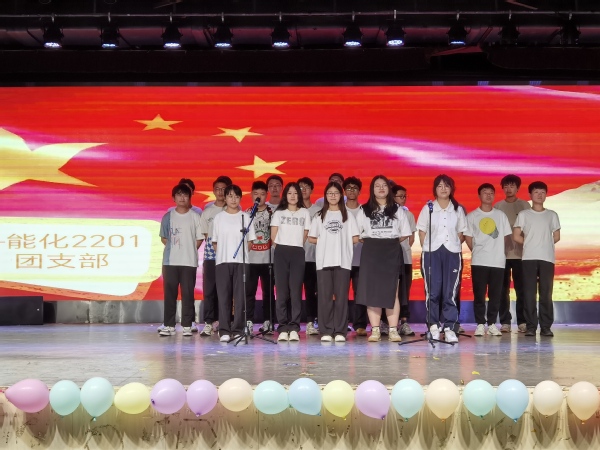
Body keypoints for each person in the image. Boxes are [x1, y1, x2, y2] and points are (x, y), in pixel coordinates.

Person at [356, 175, 411, 343]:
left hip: (391, 251)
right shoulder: (364, 209)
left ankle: (393, 330)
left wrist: (388, 241)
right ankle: (375, 330)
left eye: (384, 185)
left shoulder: (398, 209)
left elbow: (404, 234)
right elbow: (357, 235)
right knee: (372, 291)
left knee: (393, 291)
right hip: (371, 252)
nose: (381, 188)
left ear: (388, 189)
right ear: (372, 189)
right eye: (377, 185)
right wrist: (375, 241)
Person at [417, 174, 467, 344]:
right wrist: (428, 248)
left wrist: (452, 245)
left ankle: (450, 327)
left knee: (450, 292)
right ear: (435, 189)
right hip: (431, 253)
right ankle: (433, 326)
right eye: (440, 186)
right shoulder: (428, 208)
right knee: (433, 291)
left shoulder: (458, 209)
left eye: (447, 185)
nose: (443, 189)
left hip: (452, 253)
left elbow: (461, 233)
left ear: (452, 188)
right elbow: (422, 231)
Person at [308, 182, 359, 342]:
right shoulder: (319, 215)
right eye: (329, 193)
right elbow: (311, 238)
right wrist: (327, 241)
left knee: (341, 297)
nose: (332, 196)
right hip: (323, 261)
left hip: (343, 261)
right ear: (325, 195)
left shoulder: (348, 215)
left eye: (336, 193)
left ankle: (340, 331)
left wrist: (340, 242)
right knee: (325, 297)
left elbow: (355, 238)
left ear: (341, 195)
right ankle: (326, 331)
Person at [513, 181, 560, 337]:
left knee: (546, 293)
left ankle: (546, 326)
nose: (539, 195)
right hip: (529, 258)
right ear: (530, 195)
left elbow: (556, 236)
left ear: (546, 195)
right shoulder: (524, 215)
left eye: (542, 192)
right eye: (536, 192)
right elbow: (516, 236)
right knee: (529, 293)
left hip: (547, 258)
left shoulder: (552, 215)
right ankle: (531, 326)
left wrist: (544, 244)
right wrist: (531, 244)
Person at [464, 183, 512, 337]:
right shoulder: (472, 216)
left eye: (491, 193)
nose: (488, 195)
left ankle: (491, 324)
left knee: (495, 295)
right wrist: (478, 251)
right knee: (479, 294)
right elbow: (468, 237)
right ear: (479, 196)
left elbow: (506, 237)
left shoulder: (500, 215)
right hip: (479, 261)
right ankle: (480, 324)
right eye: (485, 193)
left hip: (498, 262)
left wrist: (499, 252)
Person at [157, 177, 203, 333]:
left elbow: (199, 238)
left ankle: (187, 325)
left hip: (189, 261)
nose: (182, 198)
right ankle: (169, 325)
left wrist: (188, 249)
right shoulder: (168, 216)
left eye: (185, 195)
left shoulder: (195, 216)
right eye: (179, 195)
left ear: (190, 197)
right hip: (170, 262)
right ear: (173, 198)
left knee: (188, 294)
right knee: (170, 293)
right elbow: (164, 238)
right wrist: (176, 249)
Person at [212, 185, 257, 342]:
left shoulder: (246, 217)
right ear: (225, 198)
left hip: (241, 263)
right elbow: (215, 242)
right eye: (230, 196)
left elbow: (250, 242)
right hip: (223, 262)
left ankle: (238, 328)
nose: (233, 199)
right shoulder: (219, 218)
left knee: (240, 298)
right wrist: (223, 255)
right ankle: (224, 330)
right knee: (224, 297)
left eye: (236, 196)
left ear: (240, 199)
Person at [271, 182, 312, 342]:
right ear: (285, 195)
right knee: (282, 292)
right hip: (281, 252)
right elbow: (273, 236)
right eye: (289, 193)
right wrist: (283, 247)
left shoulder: (304, 213)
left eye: (295, 193)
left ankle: (294, 327)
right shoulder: (279, 213)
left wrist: (295, 245)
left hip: (297, 252)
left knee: (295, 291)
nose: (293, 196)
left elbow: (306, 233)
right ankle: (282, 326)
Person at [494, 174, 531, 333]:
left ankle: (522, 321)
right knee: (502, 291)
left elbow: (530, 228)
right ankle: (505, 322)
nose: (509, 189)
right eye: (506, 186)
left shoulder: (525, 205)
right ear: (502, 188)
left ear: (517, 188)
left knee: (521, 289)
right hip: (502, 255)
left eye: (512, 186)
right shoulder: (497, 206)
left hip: (521, 254)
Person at [198, 175, 232, 336]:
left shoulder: (233, 210)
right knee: (209, 289)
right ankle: (209, 322)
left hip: (228, 254)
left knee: (225, 289)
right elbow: (206, 234)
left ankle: (224, 321)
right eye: (217, 189)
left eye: (223, 189)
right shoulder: (208, 211)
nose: (220, 192)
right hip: (211, 255)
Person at [245, 181, 275, 334]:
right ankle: (248, 322)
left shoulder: (272, 213)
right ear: (251, 195)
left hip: (268, 259)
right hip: (251, 259)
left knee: (268, 292)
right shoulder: (246, 214)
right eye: (256, 194)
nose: (259, 197)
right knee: (249, 292)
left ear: (266, 195)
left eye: (262, 194)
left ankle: (268, 321)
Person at [344, 176, 368, 336]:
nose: (351, 191)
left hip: (361, 259)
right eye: (348, 188)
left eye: (355, 188)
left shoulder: (365, 211)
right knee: (341, 293)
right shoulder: (338, 211)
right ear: (344, 191)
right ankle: (342, 322)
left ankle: (360, 324)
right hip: (343, 259)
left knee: (360, 293)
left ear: (359, 192)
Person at [298, 177, 322, 336]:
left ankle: (312, 321)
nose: (304, 190)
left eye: (307, 187)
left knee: (313, 291)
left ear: (312, 190)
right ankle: (292, 322)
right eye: (300, 187)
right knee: (294, 292)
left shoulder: (318, 211)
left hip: (315, 257)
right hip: (297, 257)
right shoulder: (294, 211)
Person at [392, 184, 416, 336]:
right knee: (389, 291)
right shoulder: (387, 214)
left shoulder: (409, 215)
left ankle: (404, 322)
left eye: (405, 196)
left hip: (405, 258)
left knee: (404, 291)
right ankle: (386, 323)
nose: (403, 199)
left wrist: (403, 248)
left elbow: (411, 239)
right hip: (389, 259)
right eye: (400, 196)